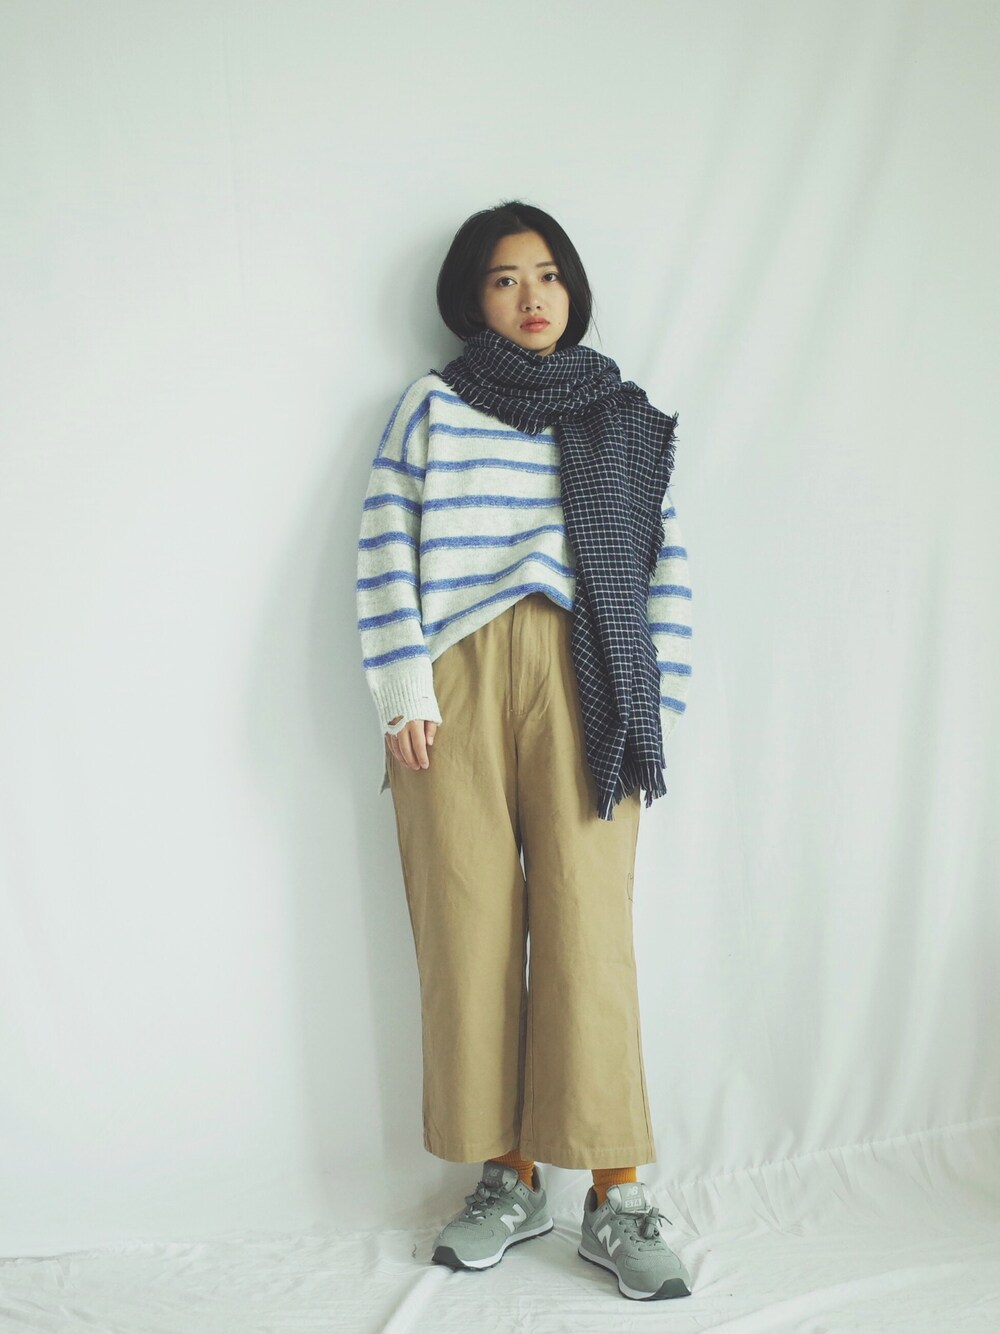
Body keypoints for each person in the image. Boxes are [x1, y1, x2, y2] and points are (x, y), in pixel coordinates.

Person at [355, 201, 694, 1302]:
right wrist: (403, 684)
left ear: (572, 288)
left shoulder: (622, 416)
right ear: (473, 299)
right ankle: (507, 1177)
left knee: (591, 933)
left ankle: (616, 1193)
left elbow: (663, 564)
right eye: (505, 279)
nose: (531, 295)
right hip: (453, 681)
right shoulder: (434, 406)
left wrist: (654, 701)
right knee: (469, 927)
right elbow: (385, 540)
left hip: (590, 678)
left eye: (546, 273)